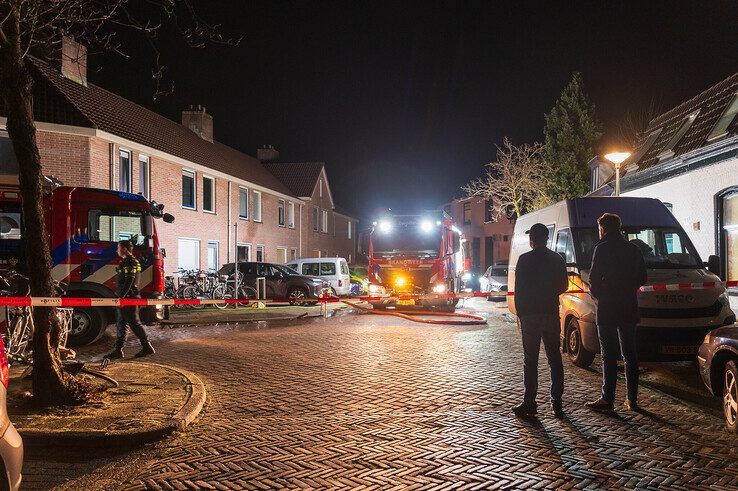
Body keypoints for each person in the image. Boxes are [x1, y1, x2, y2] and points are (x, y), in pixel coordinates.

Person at [585, 213, 647, 412]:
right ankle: (632, 399)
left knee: (608, 354)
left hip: (607, 309)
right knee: (630, 354)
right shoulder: (633, 249)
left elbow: (593, 279)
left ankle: (607, 398)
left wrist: (600, 296)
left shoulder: (601, 249)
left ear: (603, 229)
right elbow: (643, 277)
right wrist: (628, 288)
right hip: (628, 306)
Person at [512, 223, 569, 419]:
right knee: (555, 359)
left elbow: (518, 290)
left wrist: (521, 313)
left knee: (530, 361)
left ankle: (530, 402)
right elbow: (564, 285)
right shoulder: (557, 259)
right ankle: (557, 402)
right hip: (550, 312)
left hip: (530, 315)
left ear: (532, 240)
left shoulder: (524, 259)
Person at [104, 240, 155, 359]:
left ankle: (147, 346)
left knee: (134, 323)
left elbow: (129, 281)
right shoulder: (128, 261)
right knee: (121, 324)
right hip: (127, 297)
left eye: (118, 247)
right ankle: (118, 350)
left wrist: (122, 298)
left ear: (125, 249)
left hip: (129, 298)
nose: (117, 250)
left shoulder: (130, 261)